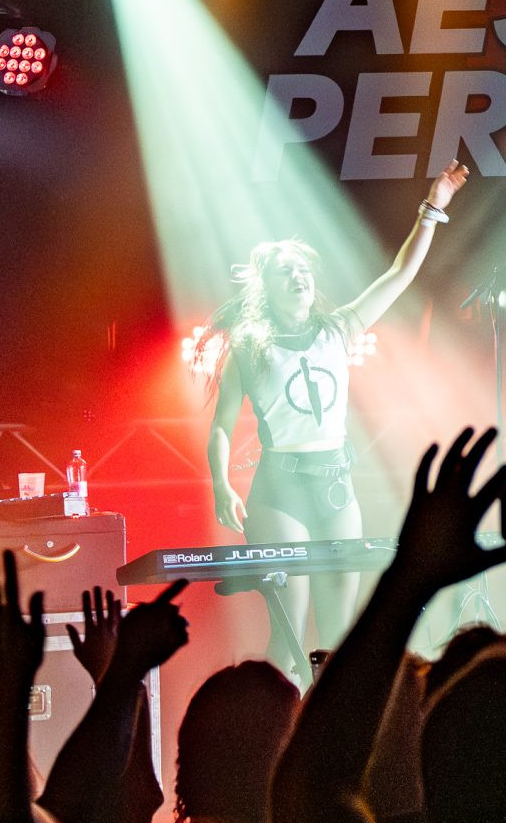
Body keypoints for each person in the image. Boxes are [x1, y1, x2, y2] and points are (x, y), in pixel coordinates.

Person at [198, 160, 468, 671]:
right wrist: (221, 484)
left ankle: (333, 719)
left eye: (302, 269)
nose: (298, 276)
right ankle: (275, 717)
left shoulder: (337, 331)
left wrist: (432, 209)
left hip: (335, 485)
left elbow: (399, 275)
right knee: (289, 632)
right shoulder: (249, 348)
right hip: (279, 491)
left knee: (340, 639)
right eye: (285, 271)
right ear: (266, 287)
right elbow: (221, 426)